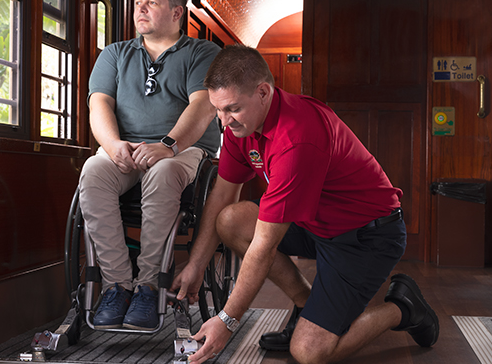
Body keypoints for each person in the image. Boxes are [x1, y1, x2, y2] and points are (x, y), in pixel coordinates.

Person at [172, 45, 439, 363]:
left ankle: (403, 307)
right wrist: (195, 265)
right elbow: (222, 196)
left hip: (365, 237)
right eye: (217, 109)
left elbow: (264, 247)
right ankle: (307, 305)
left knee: (310, 352)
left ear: (263, 92)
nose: (224, 120)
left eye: (232, 109)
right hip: (314, 224)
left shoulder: (297, 137)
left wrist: (228, 320)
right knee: (232, 219)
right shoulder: (238, 128)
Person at [79, 0, 220, 332]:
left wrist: (167, 145)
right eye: (138, 3)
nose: (140, 10)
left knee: (163, 171)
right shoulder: (114, 54)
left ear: (176, 12)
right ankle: (117, 286)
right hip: (125, 149)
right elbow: (99, 107)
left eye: (151, 3)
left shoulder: (202, 52)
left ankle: (148, 286)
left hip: (182, 150)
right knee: (92, 172)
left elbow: (203, 106)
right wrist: (112, 146)